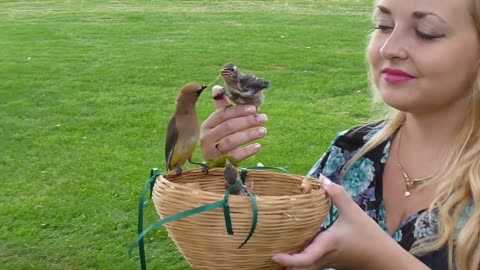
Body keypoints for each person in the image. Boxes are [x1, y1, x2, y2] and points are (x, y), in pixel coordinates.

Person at [199, 0, 480, 269]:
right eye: (383, 25)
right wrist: (223, 179)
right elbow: (270, 253)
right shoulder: (350, 152)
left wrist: (379, 259)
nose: (389, 48)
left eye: (426, 32)